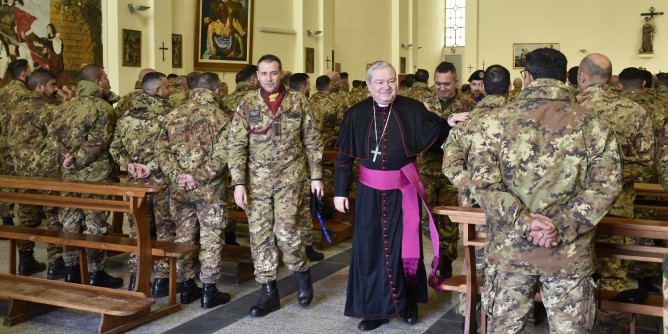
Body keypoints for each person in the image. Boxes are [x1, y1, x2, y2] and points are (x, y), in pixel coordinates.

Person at [468, 48, 623, 332]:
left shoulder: (494, 122)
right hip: (568, 255)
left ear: (526, 76)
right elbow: (606, 185)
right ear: (566, 77)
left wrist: (525, 223)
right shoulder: (593, 124)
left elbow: (482, 184)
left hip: (509, 252)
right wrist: (560, 227)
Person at [333, 61, 461, 331]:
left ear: (397, 82)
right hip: (368, 195)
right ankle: (373, 310)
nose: (385, 87)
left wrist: (448, 121)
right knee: (370, 251)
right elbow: (344, 157)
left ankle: (408, 304)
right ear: (368, 85)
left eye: (390, 80)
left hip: (403, 192)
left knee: (406, 248)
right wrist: (340, 192)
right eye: (379, 82)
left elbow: (435, 130)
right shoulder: (356, 114)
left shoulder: (411, 108)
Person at [228, 54, 323, 318]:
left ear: (281, 74)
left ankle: (301, 271)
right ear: (256, 76)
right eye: (263, 74)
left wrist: (316, 176)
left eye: (273, 73)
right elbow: (236, 145)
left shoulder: (298, 102)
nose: (268, 79)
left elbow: (312, 140)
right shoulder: (246, 104)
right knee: (260, 236)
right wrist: (238, 183)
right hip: (256, 182)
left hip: (290, 179)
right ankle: (268, 292)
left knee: (285, 231)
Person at [155, 72, 232, 308]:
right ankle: (209, 290)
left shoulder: (172, 115)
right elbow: (223, 156)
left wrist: (179, 175)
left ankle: (186, 286)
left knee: (183, 236)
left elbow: (161, 152)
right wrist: (197, 176)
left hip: (180, 189)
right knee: (211, 238)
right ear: (216, 89)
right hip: (209, 190)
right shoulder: (221, 117)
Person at [51, 64, 124, 288]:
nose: (108, 80)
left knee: (70, 221)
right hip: (95, 177)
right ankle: (95, 272)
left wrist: (65, 158)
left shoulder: (64, 106)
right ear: (99, 80)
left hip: (68, 175)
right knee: (95, 224)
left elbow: (51, 137)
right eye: (106, 77)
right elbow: (99, 142)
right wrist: (79, 160)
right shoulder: (102, 107)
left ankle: (72, 269)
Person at [109, 71, 175, 298]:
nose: (169, 91)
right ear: (158, 90)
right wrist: (153, 166)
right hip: (161, 183)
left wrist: (128, 165)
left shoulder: (126, 116)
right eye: (167, 87)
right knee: (165, 229)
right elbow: (173, 151)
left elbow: (114, 148)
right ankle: (161, 280)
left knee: (137, 231)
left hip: (134, 183)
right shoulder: (169, 115)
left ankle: (136, 277)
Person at [418, 61, 475, 280]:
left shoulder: (467, 106)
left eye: (447, 84)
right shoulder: (424, 104)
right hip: (427, 169)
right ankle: (438, 250)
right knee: (426, 218)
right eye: (438, 84)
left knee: (450, 219)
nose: (442, 88)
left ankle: (446, 258)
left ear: (456, 82)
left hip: (453, 172)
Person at [5, 68, 63, 278]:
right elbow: (60, 138)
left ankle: (26, 261)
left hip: (22, 172)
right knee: (54, 216)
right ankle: (56, 263)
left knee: (26, 216)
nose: (56, 89)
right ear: (40, 86)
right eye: (53, 85)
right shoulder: (47, 109)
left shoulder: (16, 108)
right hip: (46, 173)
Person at [289, 72, 325, 262]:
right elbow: (315, 137)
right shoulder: (307, 106)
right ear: (304, 87)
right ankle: (306, 246)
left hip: (287, 168)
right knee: (303, 209)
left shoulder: (283, 105)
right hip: (302, 166)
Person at [0, 58, 30, 228]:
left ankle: (6, 216)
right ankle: (27, 217)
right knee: (24, 181)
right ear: (24, 72)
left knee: (7, 178)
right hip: (20, 143)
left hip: (3, 140)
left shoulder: (2, 92)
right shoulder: (24, 93)